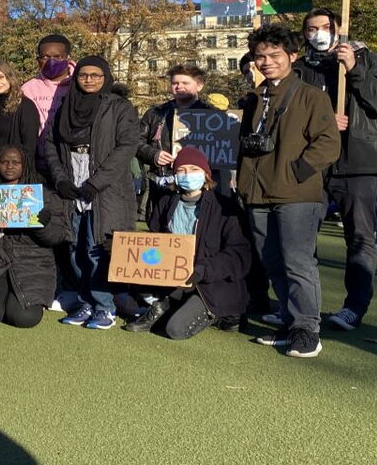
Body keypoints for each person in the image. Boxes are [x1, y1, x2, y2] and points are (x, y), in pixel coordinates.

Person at [295, 7, 377, 332]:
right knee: (301, 234)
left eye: (324, 27)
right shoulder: (300, 69)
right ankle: (301, 306)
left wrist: (354, 69)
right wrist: (324, 121)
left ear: (339, 28)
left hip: (358, 160)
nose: (318, 34)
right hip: (316, 162)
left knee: (358, 236)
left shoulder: (369, 59)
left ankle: (355, 306)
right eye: (311, 29)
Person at [238, 24, 340, 358]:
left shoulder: (311, 95)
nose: (266, 62)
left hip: (296, 193)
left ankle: (306, 329)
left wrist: (296, 171)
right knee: (273, 262)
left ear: (292, 57)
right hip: (258, 193)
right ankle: (288, 320)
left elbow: (328, 143)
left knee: (298, 262)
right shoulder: (256, 98)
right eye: (260, 56)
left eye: (274, 55)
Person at [44, 56, 140, 331]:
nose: (89, 80)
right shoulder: (65, 104)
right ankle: (85, 300)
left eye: (96, 75)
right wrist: (61, 179)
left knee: (97, 247)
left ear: (105, 77)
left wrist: (95, 183)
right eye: (84, 75)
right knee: (74, 245)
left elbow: (126, 147)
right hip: (71, 178)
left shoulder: (119, 107)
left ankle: (104, 306)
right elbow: (51, 143)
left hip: (105, 186)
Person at [124, 145, 251, 338]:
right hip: (173, 281)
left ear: (206, 174)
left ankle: (224, 315)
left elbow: (239, 256)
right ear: (175, 175)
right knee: (123, 301)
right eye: (181, 170)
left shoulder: (225, 208)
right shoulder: (166, 203)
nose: (187, 174)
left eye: (194, 169)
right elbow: (156, 242)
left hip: (212, 283)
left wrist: (203, 270)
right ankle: (163, 307)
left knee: (175, 330)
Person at [0, 145, 70, 328]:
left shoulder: (43, 195)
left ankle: (16, 302)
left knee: (24, 319)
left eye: (16, 162)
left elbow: (57, 237)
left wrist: (42, 225)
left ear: (25, 165)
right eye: (4, 162)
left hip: (33, 262)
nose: (9, 166)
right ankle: (1, 297)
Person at [137, 65, 214, 209]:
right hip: (162, 183)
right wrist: (153, 154)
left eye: (185, 83)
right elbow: (135, 142)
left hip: (200, 185)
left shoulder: (213, 115)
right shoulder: (155, 113)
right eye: (175, 83)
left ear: (199, 86)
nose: (179, 87)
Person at [21, 34, 76, 150]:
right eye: (45, 57)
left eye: (57, 56)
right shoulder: (27, 89)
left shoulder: (79, 85)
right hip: (38, 159)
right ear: (38, 60)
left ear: (68, 58)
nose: (51, 61)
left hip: (72, 158)